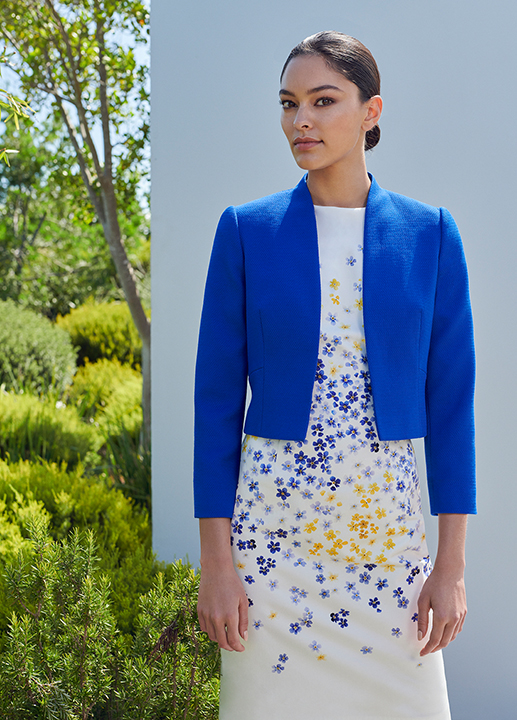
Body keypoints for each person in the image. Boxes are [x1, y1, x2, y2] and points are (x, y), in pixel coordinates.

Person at [194, 31, 476, 720]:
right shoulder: (245, 232)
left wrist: (450, 565)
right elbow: (213, 408)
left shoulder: (430, 234)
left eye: (323, 101)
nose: (301, 121)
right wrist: (218, 564)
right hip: (271, 554)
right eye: (289, 104)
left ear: (370, 111)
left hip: (389, 550)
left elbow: (451, 410)